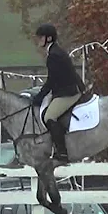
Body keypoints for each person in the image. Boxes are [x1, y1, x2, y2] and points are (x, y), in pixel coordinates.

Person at [31, 23, 84, 162]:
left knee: (49, 117)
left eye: (40, 37)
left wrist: (39, 97)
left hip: (68, 93)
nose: (38, 40)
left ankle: (62, 153)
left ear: (48, 38)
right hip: (65, 90)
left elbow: (52, 80)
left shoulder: (54, 55)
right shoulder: (56, 51)